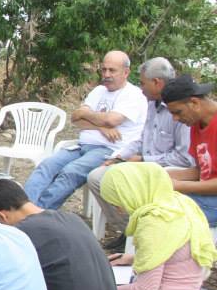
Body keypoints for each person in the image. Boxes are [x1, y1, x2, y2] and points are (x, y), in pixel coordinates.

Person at [87, 57, 193, 250]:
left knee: (117, 179)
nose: (141, 88)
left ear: (157, 83)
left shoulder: (179, 109)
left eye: (143, 83)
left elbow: (184, 158)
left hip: (166, 170)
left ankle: (142, 233)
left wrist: (143, 160)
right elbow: (141, 139)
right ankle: (129, 230)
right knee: (96, 177)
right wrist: (118, 157)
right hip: (143, 165)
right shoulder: (151, 104)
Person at [24, 50, 147, 210]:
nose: (107, 74)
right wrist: (100, 127)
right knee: (46, 166)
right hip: (81, 146)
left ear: (126, 72)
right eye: (104, 69)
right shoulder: (98, 91)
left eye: (112, 70)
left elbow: (112, 120)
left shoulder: (133, 95)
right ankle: (22, 207)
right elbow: (76, 118)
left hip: (109, 150)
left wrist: (87, 114)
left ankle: (37, 213)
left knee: (70, 172)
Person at [102, 162, 217, 290]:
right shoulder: (179, 203)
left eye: (116, 201)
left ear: (131, 193)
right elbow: (173, 254)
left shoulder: (155, 223)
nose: (118, 208)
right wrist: (132, 259)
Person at [159, 74, 217, 225]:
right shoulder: (196, 124)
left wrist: (180, 185)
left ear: (194, 103)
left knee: (161, 211)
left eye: (177, 112)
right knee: (151, 196)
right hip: (206, 194)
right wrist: (160, 175)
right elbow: (203, 171)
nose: (175, 119)